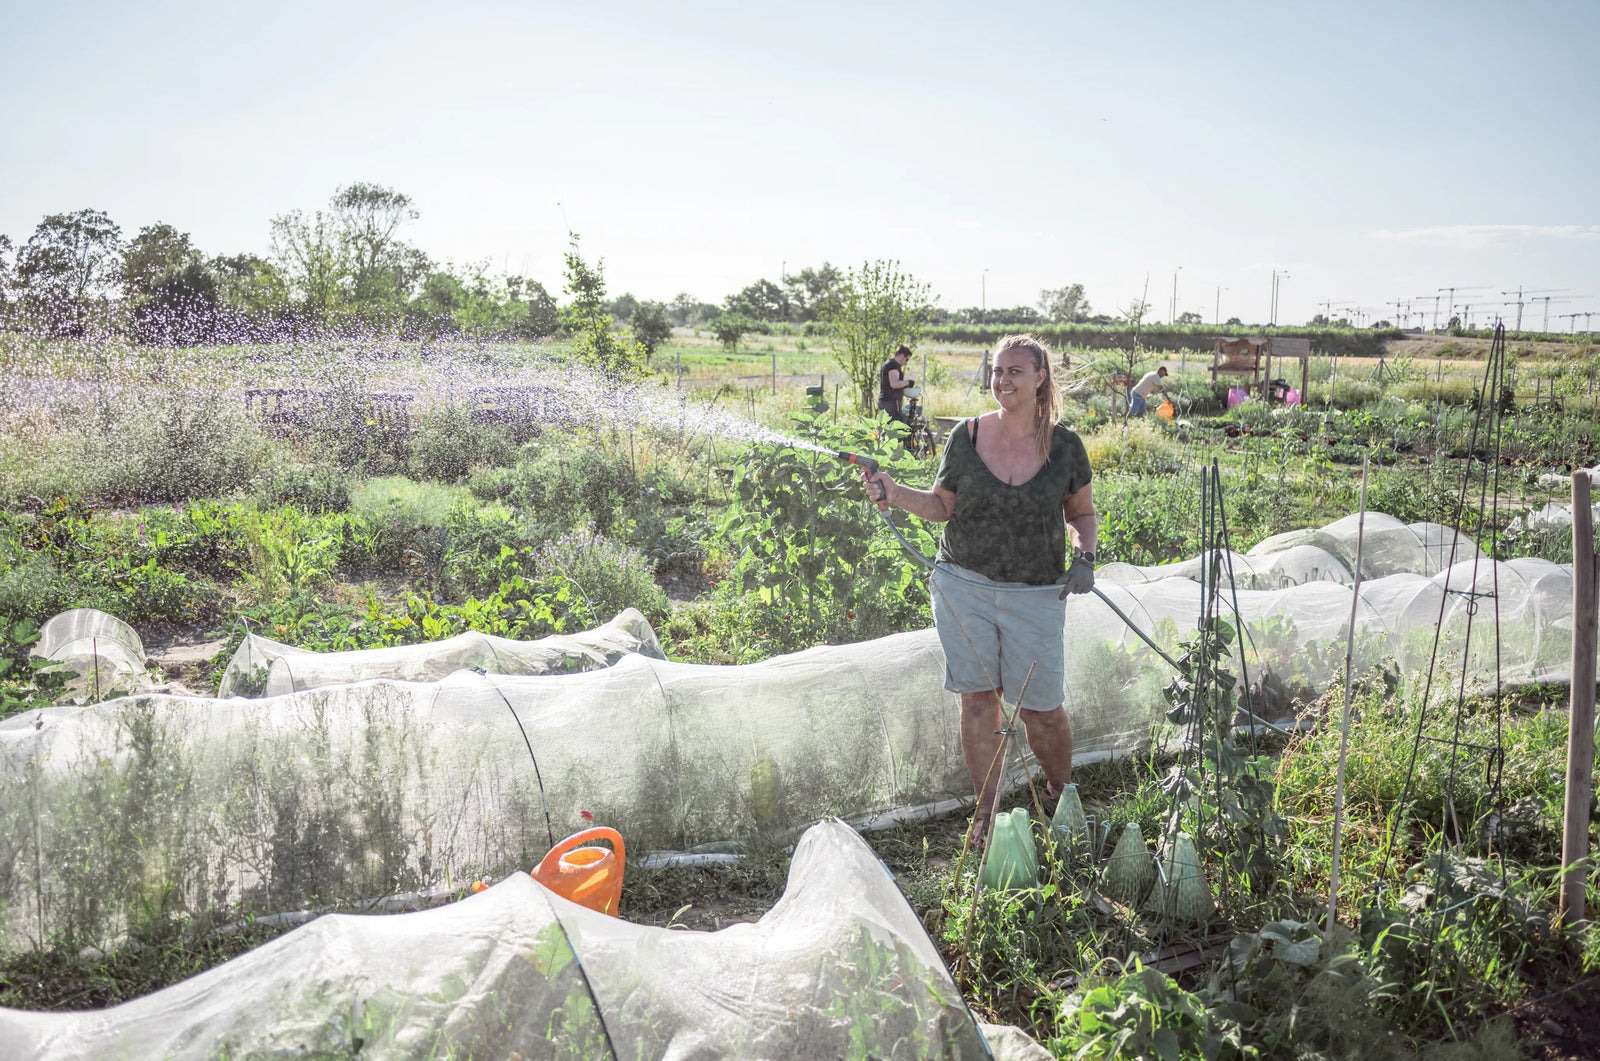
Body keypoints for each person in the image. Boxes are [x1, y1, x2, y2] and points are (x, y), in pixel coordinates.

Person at [863, 334, 1097, 844]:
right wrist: (894, 491)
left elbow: (1080, 513)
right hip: (963, 584)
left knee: (1041, 710)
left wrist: (1084, 555)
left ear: (1040, 378)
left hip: (1035, 593)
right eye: (997, 370)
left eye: (1015, 370)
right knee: (978, 701)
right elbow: (942, 506)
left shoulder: (1065, 447)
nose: (1003, 380)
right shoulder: (965, 438)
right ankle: (986, 813)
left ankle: (1061, 798)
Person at [877, 345, 915, 422]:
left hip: (888, 401)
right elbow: (894, 384)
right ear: (901, 356)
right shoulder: (892, 365)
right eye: (906, 360)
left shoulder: (891, 364)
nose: (905, 363)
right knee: (896, 427)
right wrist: (908, 383)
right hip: (890, 402)